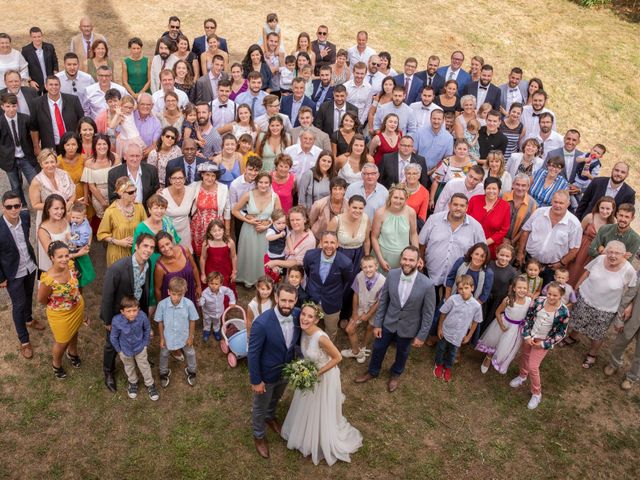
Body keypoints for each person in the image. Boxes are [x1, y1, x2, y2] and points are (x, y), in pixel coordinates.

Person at [281, 301, 362, 465]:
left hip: (324, 376)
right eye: (303, 314)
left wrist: (316, 373)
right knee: (305, 402)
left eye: (310, 316)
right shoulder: (304, 331)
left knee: (320, 405)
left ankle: (318, 434)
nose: (304, 318)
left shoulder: (321, 338)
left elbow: (338, 358)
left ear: (316, 320)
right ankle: (303, 429)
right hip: (309, 373)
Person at [355, 246, 436, 392]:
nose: (407, 262)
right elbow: (384, 301)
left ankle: (395, 374)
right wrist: (378, 324)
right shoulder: (392, 274)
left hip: (409, 327)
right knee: (378, 347)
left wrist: (421, 336)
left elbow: (428, 314)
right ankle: (372, 371)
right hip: (388, 322)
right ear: (400, 259)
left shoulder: (427, 285)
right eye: (405, 259)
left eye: (411, 260)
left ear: (418, 262)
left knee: (402, 352)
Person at [563, 241, 637, 368]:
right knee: (578, 320)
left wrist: (629, 305)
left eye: (617, 253)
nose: (613, 255)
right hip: (586, 297)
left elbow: (633, 288)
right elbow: (587, 272)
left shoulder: (629, 270)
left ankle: (592, 354)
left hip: (606, 307)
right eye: (610, 252)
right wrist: (577, 287)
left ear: (624, 255)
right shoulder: (600, 259)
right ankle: (572, 337)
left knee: (598, 333)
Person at [247, 282, 300, 458]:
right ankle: (259, 436)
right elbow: (253, 354)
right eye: (283, 300)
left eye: (290, 301)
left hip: (285, 371)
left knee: (276, 397)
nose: (286, 305)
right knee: (259, 406)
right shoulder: (261, 323)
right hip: (266, 374)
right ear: (276, 298)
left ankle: (271, 416)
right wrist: (256, 380)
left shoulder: (298, 315)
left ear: (296, 300)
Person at [100, 233, 155, 392]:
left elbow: (145, 289)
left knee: (136, 335)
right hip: (118, 313)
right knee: (111, 343)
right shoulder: (117, 268)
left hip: (136, 310)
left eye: (151, 247)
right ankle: (108, 371)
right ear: (136, 247)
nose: (148, 250)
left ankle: (138, 357)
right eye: (145, 246)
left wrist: (143, 313)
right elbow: (107, 296)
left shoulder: (149, 263)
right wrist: (108, 321)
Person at [509, 282, 570, 410]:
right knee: (525, 356)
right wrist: (526, 336)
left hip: (542, 342)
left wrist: (543, 344)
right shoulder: (538, 302)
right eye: (549, 294)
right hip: (530, 337)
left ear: (561, 296)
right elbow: (529, 318)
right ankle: (522, 376)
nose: (551, 297)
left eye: (555, 295)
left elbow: (561, 333)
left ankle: (537, 393)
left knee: (533, 366)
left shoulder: (564, 312)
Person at [0, 191, 40, 359]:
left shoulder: (25, 217)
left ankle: (29, 319)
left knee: (29, 295)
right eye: (9, 207)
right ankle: (24, 341)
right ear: (3, 207)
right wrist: (1, 278)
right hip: (12, 273)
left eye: (17, 205)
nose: (14, 210)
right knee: (18, 304)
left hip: (29, 266)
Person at [37, 241, 85, 379]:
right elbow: (41, 300)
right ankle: (56, 364)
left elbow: (76, 284)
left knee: (75, 331)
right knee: (62, 341)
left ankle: (73, 353)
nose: (64, 259)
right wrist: (59, 304)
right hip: (60, 315)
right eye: (60, 257)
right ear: (51, 257)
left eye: (66, 255)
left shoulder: (70, 265)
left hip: (77, 307)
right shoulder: (48, 280)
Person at [517, 191, 582, 285]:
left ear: (568, 204)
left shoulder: (574, 224)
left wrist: (561, 263)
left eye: (561, 203)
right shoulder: (539, 212)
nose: (557, 205)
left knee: (544, 293)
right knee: (522, 288)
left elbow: (575, 249)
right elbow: (525, 231)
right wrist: (520, 253)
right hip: (529, 261)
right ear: (551, 201)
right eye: (555, 202)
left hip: (551, 267)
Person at [233, 172, 281, 288]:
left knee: (263, 255)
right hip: (249, 230)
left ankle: (264, 280)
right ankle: (247, 278)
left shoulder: (275, 197)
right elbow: (235, 210)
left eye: (266, 183)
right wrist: (248, 220)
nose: (263, 185)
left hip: (266, 231)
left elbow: (279, 216)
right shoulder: (248, 195)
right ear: (256, 182)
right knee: (250, 254)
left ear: (270, 184)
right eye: (261, 182)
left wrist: (268, 224)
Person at [303, 231, 353, 342]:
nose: (329, 246)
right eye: (326, 242)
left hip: (332, 303)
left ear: (337, 244)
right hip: (312, 298)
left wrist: (336, 294)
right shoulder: (310, 256)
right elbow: (307, 271)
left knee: (331, 329)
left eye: (332, 242)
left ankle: (327, 352)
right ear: (320, 243)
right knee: (309, 326)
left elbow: (347, 282)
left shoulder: (345, 263)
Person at [477, 275, 531, 375]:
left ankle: (498, 357)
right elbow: (497, 312)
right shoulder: (508, 300)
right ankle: (488, 357)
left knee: (505, 345)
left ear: (528, 289)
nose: (522, 290)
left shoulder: (529, 301)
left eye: (524, 288)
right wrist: (501, 325)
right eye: (519, 287)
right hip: (504, 324)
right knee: (495, 341)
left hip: (516, 329)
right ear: (514, 288)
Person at [434, 274, 483, 382]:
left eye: (466, 288)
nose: (463, 291)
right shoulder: (453, 299)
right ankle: (439, 364)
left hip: (459, 335)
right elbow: (443, 313)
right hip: (446, 331)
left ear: (472, 288)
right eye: (460, 288)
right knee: (441, 348)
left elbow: (476, 321)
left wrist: (469, 336)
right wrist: (439, 328)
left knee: (453, 352)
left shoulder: (476, 306)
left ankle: (448, 367)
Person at [109, 296, 159, 401]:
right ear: (122, 311)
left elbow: (147, 329)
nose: (132, 313)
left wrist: (145, 344)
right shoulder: (116, 321)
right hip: (125, 350)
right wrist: (119, 351)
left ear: (138, 309)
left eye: (134, 310)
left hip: (140, 348)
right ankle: (133, 382)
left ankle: (150, 384)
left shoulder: (142, 316)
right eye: (129, 311)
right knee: (129, 367)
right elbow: (113, 337)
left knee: (144, 366)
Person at [156, 276, 199, 388]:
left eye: (180, 294)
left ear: (185, 292)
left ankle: (192, 371)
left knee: (190, 353)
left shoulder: (189, 304)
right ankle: (163, 372)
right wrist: (162, 338)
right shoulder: (162, 305)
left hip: (184, 336)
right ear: (168, 292)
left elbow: (192, 320)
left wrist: (191, 337)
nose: (176, 297)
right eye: (174, 294)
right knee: (164, 353)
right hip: (167, 337)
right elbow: (160, 322)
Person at [341, 255, 385, 363]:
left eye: (370, 266)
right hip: (361, 307)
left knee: (370, 327)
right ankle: (356, 352)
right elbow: (355, 294)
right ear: (361, 267)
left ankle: (364, 346)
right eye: (365, 267)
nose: (368, 269)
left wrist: (369, 315)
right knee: (349, 329)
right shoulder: (359, 276)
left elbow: (379, 301)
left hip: (375, 310)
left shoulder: (383, 281)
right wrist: (355, 312)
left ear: (376, 266)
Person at [98, 176, 147, 266]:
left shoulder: (139, 207)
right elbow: (102, 234)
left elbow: (146, 227)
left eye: (135, 191)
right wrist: (119, 242)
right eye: (131, 192)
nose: (135, 194)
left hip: (137, 253)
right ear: (121, 193)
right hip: (117, 254)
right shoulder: (110, 211)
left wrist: (137, 238)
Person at [567, 196, 616, 286]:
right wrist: (573, 252)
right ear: (598, 207)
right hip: (582, 248)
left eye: (608, 209)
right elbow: (578, 234)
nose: (604, 211)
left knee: (586, 274)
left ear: (613, 209)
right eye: (602, 208)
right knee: (574, 271)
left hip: (596, 252)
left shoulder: (613, 223)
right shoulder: (590, 217)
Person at [29, 75, 84, 152]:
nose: (54, 87)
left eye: (56, 84)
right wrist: (36, 147)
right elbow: (34, 128)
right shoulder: (36, 103)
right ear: (46, 86)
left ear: (60, 86)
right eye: (51, 85)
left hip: (72, 145)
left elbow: (82, 121)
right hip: (50, 147)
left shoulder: (73, 100)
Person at [0, 93, 38, 205]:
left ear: (17, 105)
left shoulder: (25, 119)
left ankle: (39, 202)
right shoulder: (1, 122)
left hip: (25, 156)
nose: (11, 109)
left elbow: (32, 134)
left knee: (35, 181)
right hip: (9, 158)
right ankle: (22, 205)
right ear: (2, 107)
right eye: (7, 106)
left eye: (13, 106)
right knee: (15, 185)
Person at [371, 184, 418, 272]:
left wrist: (416, 255)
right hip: (382, 256)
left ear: (406, 199)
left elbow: (413, 234)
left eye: (401, 199)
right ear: (390, 197)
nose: (398, 201)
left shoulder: (411, 212)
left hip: (403, 259)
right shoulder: (380, 213)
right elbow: (374, 237)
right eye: (395, 197)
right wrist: (380, 260)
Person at [604, 276, 640, 391]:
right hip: (632, 318)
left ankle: (632, 377)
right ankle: (614, 364)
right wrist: (619, 319)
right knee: (619, 343)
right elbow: (628, 297)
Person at [190, 162, 231, 257]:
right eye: (207, 175)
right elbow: (181, 190)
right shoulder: (194, 186)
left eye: (213, 175)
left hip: (216, 227)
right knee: (200, 254)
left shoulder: (223, 188)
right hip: (198, 226)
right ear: (202, 174)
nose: (210, 178)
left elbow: (227, 210)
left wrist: (227, 231)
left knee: (215, 253)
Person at [467, 177, 511, 259]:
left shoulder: (505, 206)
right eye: (488, 188)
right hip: (470, 241)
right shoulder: (474, 200)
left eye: (494, 188)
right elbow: (465, 218)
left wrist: (485, 242)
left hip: (490, 246)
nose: (491, 191)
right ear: (484, 189)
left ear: (499, 190)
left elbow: (504, 229)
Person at [154, 231, 201, 307]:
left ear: (172, 241)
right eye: (162, 247)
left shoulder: (184, 250)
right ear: (158, 250)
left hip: (189, 292)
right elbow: (157, 290)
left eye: (167, 244)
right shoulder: (159, 267)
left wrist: (199, 286)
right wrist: (161, 307)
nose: (166, 248)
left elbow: (194, 268)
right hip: (172, 301)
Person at [429, 139, 475, 209]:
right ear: (455, 149)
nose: (462, 151)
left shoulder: (472, 164)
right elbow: (436, 181)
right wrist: (431, 199)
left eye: (464, 149)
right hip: (446, 195)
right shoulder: (446, 162)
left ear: (468, 150)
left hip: (465, 197)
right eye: (459, 149)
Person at [199, 219, 237, 294]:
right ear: (210, 232)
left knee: (225, 290)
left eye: (219, 230)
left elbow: (233, 257)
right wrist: (203, 274)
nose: (217, 233)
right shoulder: (206, 243)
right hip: (210, 270)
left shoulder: (229, 242)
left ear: (223, 230)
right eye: (214, 231)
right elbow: (203, 258)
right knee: (212, 288)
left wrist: (234, 272)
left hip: (226, 270)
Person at [414, 109, 454, 175]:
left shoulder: (449, 138)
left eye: (439, 119)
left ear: (443, 120)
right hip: (417, 171)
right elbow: (413, 152)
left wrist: (433, 171)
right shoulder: (419, 132)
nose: (436, 121)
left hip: (436, 172)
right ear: (430, 119)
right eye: (434, 118)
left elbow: (447, 159)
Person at [199, 271, 236, 342]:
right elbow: (202, 301)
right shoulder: (205, 293)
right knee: (207, 321)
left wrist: (232, 301)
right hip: (207, 312)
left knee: (217, 322)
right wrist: (200, 302)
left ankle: (216, 331)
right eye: (211, 283)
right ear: (208, 283)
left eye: (216, 284)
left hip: (218, 312)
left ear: (220, 284)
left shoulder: (223, 289)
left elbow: (230, 292)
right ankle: (207, 331)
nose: (213, 286)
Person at [309, 177, 348, 241]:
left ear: (344, 190)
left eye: (340, 189)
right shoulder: (319, 204)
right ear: (331, 190)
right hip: (319, 238)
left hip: (340, 240)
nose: (337, 192)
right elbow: (311, 221)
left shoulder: (348, 205)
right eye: (335, 189)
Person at [21, 27, 58, 94]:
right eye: (34, 37)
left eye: (39, 36)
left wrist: (55, 76)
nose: (37, 39)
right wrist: (30, 81)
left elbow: (55, 62)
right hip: (36, 84)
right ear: (31, 37)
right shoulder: (25, 50)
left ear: (42, 36)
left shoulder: (50, 47)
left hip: (50, 82)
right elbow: (24, 68)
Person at [503, 173, 537, 247]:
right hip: (498, 239)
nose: (520, 188)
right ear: (513, 185)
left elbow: (526, 227)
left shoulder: (532, 204)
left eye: (523, 185)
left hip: (516, 244)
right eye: (517, 184)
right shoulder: (503, 197)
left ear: (528, 187)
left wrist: (512, 241)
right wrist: (502, 238)